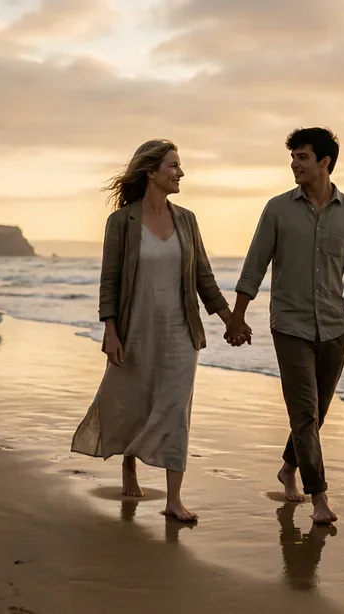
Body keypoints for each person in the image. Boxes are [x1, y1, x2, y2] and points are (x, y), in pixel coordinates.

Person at [72, 139, 250, 522]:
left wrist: (230, 319)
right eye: (173, 166)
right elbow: (110, 281)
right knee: (135, 400)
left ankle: (173, 499)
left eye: (180, 166)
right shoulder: (121, 222)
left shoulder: (186, 219)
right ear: (151, 172)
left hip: (181, 333)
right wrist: (111, 330)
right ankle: (129, 462)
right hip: (136, 329)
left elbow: (204, 277)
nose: (180, 173)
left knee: (174, 410)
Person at [226, 127, 344, 524]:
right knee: (304, 412)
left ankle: (288, 467)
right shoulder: (277, 209)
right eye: (293, 158)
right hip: (289, 326)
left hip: (336, 328)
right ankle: (319, 495)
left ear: (324, 162)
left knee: (317, 412)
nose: (294, 164)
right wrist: (238, 315)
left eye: (302, 157)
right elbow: (255, 264)